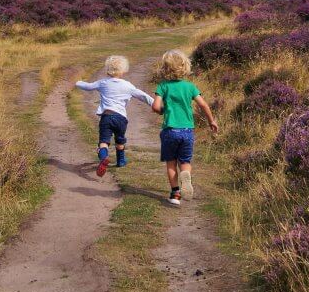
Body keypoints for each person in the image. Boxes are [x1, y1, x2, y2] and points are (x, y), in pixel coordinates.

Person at [152, 49, 219, 206]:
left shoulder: (163, 86)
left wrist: (162, 110)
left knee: (171, 162)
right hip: (187, 131)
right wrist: (212, 121)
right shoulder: (190, 87)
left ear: (165, 68)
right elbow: (203, 104)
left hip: (170, 131)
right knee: (185, 161)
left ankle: (175, 194)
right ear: (185, 67)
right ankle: (186, 175)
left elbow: (155, 107)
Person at [75, 55, 154, 176]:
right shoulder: (128, 85)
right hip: (120, 119)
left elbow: (88, 87)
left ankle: (103, 158)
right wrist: (155, 104)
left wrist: (77, 82)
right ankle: (121, 161)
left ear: (108, 69)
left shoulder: (102, 83)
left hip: (106, 118)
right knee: (120, 140)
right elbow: (142, 96)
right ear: (123, 70)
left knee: (104, 142)